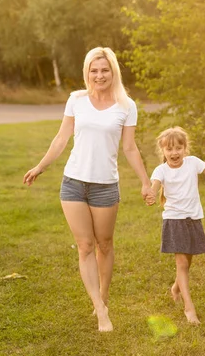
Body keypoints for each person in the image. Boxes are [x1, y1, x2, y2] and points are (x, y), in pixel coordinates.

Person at [23, 47, 152, 332]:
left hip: (105, 186)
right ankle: (100, 309)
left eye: (104, 70)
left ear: (113, 71)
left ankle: (103, 297)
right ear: (87, 73)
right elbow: (61, 138)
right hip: (73, 183)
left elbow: (129, 148)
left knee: (105, 244)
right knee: (85, 246)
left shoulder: (126, 105)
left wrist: (145, 181)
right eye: (94, 70)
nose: (99, 75)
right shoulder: (76, 100)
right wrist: (40, 167)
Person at [146, 127, 205, 325]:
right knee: (182, 264)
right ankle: (189, 308)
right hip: (174, 219)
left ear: (185, 149)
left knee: (188, 262)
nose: (174, 153)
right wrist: (149, 194)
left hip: (193, 219)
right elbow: (154, 186)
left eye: (178, 148)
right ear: (163, 151)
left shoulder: (193, 163)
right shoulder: (161, 170)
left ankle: (175, 288)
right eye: (169, 149)